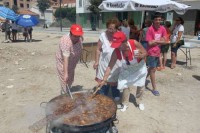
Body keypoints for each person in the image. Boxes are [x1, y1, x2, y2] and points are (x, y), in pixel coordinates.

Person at [98, 31, 147, 111]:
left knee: (141, 85)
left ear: (124, 41)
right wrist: (104, 79)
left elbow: (145, 52)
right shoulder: (116, 51)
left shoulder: (134, 43)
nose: (118, 47)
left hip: (139, 68)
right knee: (125, 85)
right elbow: (110, 66)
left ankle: (139, 101)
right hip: (127, 69)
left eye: (119, 45)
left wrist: (142, 55)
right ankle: (125, 103)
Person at [93, 18, 121, 101]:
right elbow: (98, 49)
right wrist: (97, 61)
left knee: (114, 79)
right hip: (104, 62)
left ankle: (115, 93)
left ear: (117, 28)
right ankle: (103, 94)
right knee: (103, 79)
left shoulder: (120, 35)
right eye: (109, 28)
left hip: (116, 62)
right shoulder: (103, 35)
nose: (111, 30)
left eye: (113, 28)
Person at [55, 24, 83, 93]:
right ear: (71, 34)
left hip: (72, 62)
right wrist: (65, 73)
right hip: (63, 62)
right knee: (65, 80)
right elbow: (65, 59)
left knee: (70, 78)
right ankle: (64, 94)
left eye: (78, 35)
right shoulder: (65, 41)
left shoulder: (79, 38)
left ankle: (68, 89)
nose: (77, 38)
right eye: (75, 36)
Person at [145, 13, 167, 96]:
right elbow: (150, 43)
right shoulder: (150, 29)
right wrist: (160, 41)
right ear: (153, 21)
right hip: (151, 53)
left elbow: (166, 41)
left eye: (159, 20)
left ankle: (142, 79)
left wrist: (156, 41)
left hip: (158, 52)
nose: (158, 21)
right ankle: (154, 88)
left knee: (151, 68)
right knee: (153, 69)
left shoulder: (163, 28)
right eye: (156, 20)